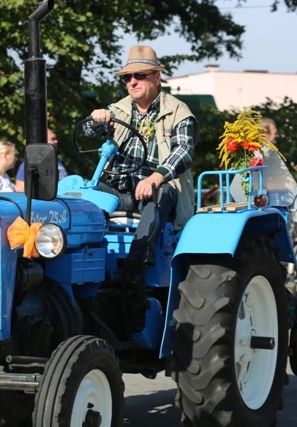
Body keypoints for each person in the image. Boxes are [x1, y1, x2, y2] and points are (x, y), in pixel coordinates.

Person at [88, 45, 199, 332]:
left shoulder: (179, 112)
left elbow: (184, 152)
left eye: (140, 75)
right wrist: (96, 119)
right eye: (127, 77)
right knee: (80, 193)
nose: (132, 82)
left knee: (158, 194)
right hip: (120, 190)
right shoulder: (117, 109)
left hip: (162, 190)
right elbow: (89, 132)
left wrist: (157, 176)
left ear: (157, 77)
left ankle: (136, 265)